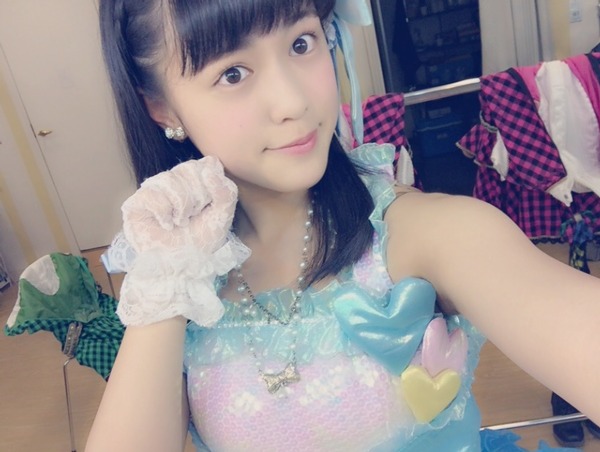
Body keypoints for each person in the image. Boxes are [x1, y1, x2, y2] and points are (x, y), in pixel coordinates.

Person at [86, 1, 600, 451]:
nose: (294, 101)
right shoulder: (175, 286)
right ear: (161, 106)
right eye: (233, 74)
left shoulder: (423, 236)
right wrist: (169, 276)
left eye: (301, 43)